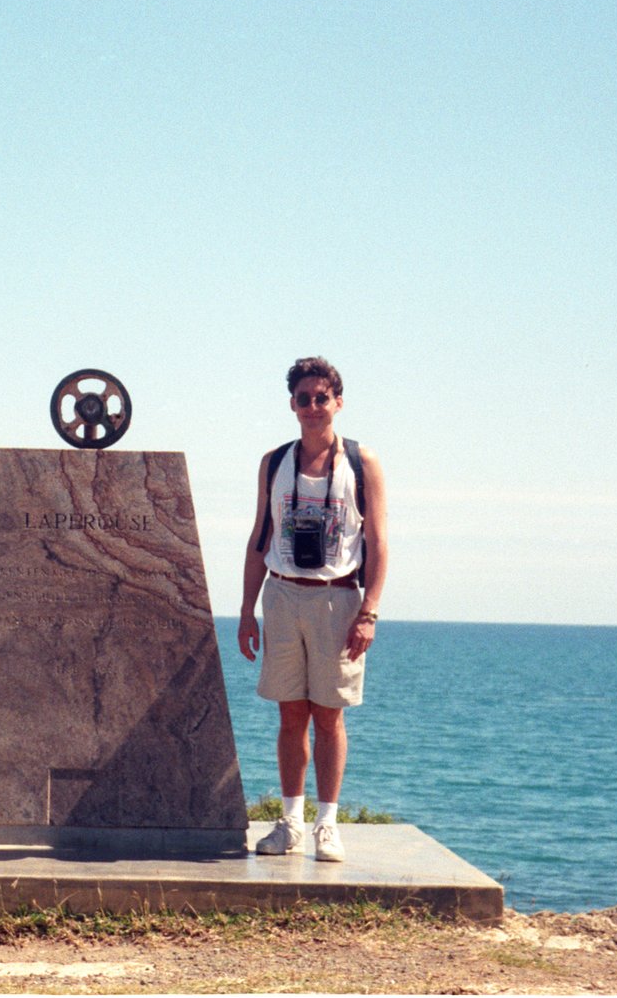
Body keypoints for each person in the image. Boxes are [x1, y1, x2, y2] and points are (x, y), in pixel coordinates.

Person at [237, 356, 387, 862]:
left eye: (322, 397)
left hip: (337, 598)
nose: (313, 407)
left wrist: (368, 611)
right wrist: (245, 610)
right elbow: (260, 538)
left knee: (329, 717)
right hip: (281, 595)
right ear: (292, 405)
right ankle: (290, 822)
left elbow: (380, 542)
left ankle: (328, 823)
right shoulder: (274, 462)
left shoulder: (362, 464)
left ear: (338, 403)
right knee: (289, 716)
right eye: (304, 398)